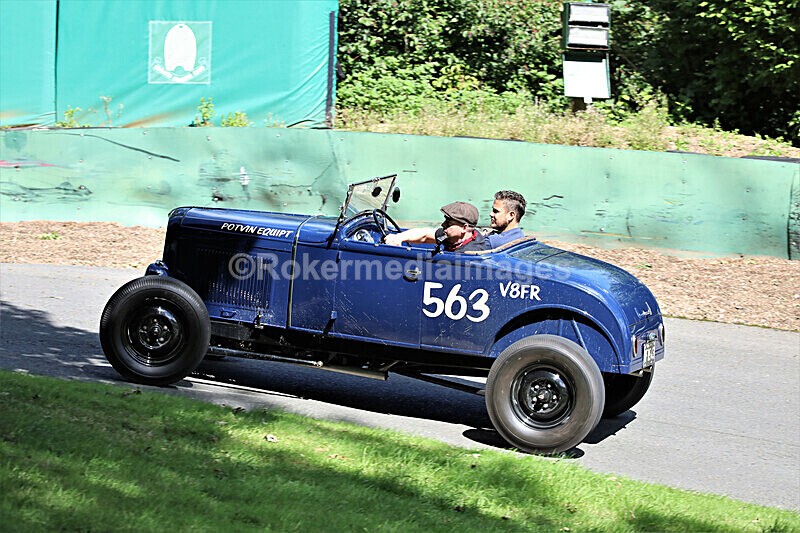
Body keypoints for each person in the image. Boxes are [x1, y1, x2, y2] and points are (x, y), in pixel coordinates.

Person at [385, 201, 490, 252]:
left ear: (464, 228)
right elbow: (425, 235)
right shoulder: (453, 237)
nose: (443, 225)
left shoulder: (469, 253)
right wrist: (398, 238)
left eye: (449, 223)